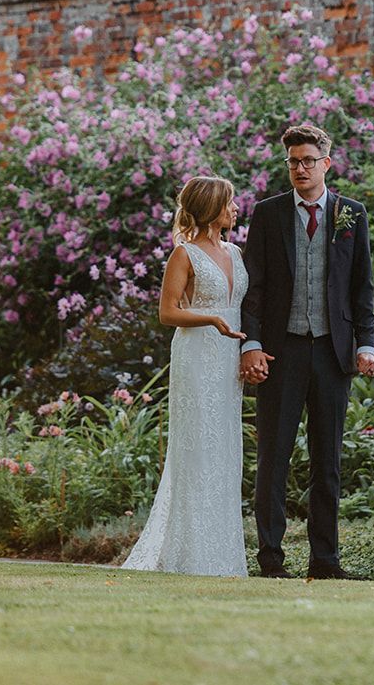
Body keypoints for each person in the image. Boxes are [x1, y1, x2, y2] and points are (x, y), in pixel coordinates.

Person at [239, 123, 374, 580]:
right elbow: (253, 288)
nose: (299, 168)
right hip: (281, 352)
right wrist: (252, 345)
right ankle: (271, 560)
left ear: (326, 164)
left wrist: (367, 344)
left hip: (333, 354)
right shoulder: (268, 214)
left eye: (307, 161)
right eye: (292, 162)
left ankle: (325, 560)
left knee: (328, 462)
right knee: (273, 460)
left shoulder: (351, 215)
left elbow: (362, 289)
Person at [120, 176, 249, 576]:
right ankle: (189, 555)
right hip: (197, 355)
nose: (235, 209)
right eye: (229, 203)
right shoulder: (184, 254)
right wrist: (210, 318)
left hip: (229, 360)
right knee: (197, 451)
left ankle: (222, 556)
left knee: (225, 453)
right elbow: (168, 312)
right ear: (212, 208)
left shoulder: (236, 252)